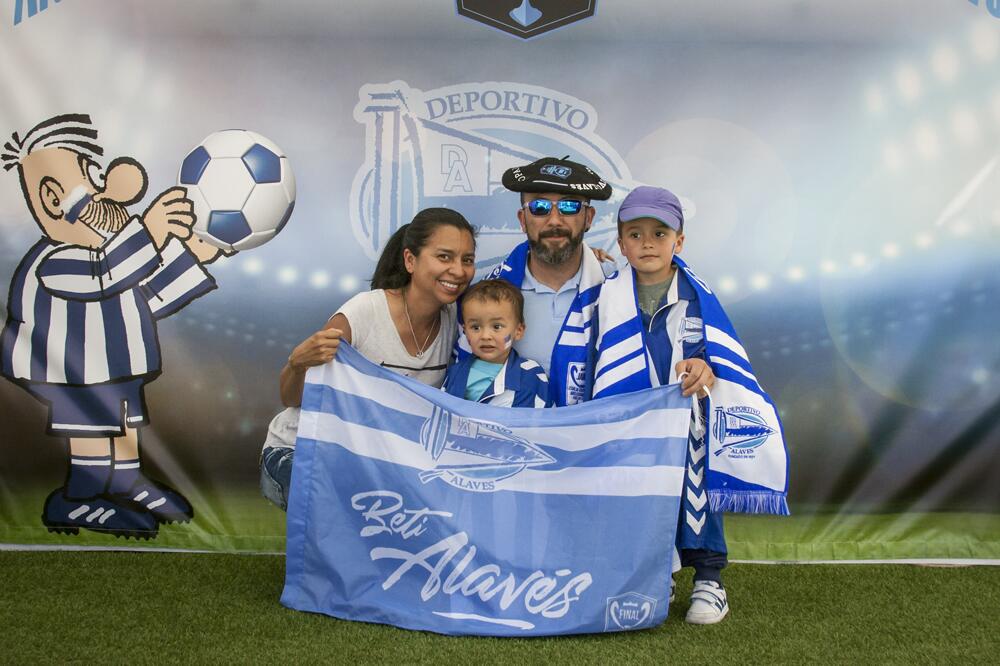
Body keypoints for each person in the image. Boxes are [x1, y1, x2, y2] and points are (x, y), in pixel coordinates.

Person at [1, 114, 224, 539]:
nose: (111, 192)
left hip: (113, 367)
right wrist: (151, 231)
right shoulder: (57, 259)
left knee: (121, 424)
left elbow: (145, 298)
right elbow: (105, 274)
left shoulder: (106, 256)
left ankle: (125, 480)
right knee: (90, 428)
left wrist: (193, 257)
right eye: (91, 178)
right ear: (52, 199)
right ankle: (76, 499)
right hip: (73, 371)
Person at [260, 208, 476, 510]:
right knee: (359, 497)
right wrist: (297, 362)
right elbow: (291, 396)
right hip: (298, 450)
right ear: (410, 260)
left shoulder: (457, 319)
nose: (458, 270)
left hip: (378, 458)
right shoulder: (363, 312)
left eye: (467, 259)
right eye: (444, 257)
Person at [588, 185, 731, 624]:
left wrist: (706, 368)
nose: (647, 243)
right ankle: (656, 572)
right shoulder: (604, 292)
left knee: (696, 487)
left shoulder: (698, 295)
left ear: (679, 241)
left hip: (688, 415)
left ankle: (709, 578)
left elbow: (719, 354)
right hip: (630, 416)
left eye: (659, 232)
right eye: (634, 234)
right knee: (640, 487)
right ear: (620, 240)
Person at [463, 156, 615, 407]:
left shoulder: (617, 288)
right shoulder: (488, 296)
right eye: (540, 207)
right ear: (523, 220)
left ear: (588, 218)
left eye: (569, 207)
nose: (555, 220)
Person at [441, 279, 549, 408]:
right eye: (475, 327)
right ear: (465, 332)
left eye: (497, 326)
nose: (485, 336)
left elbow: (538, 423)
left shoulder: (530, 374)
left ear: (518, 331)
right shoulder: (454, 373)